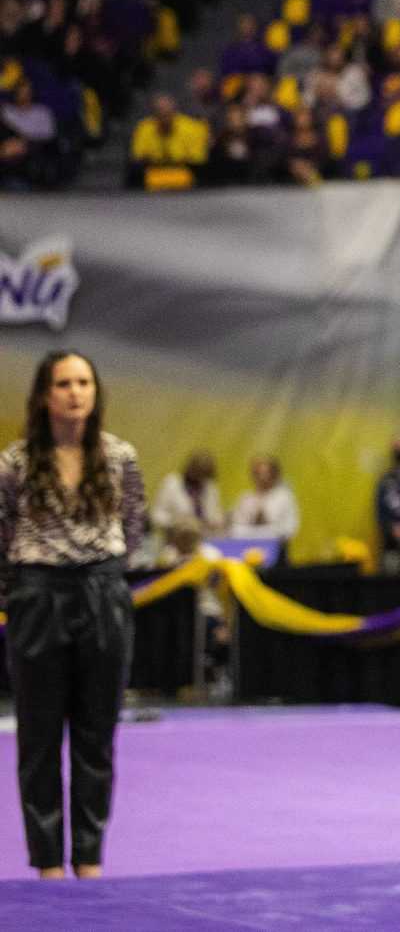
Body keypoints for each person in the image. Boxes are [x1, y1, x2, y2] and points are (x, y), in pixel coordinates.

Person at [0, 351, 147, 879]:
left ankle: (89, 857)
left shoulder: (120, 457)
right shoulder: (13, 464)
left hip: (102, 591)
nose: (75, 392)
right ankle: (47, 863)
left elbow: (133, 531)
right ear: (45, 395)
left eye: (84, 382)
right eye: (64, 383)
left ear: (95, 392)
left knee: (96, 735)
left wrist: (99, 575)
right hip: (37, 594)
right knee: (38, 738)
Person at [149, 449, 222, 559]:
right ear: (191, 469)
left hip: (202, 543)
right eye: (199, 473)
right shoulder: (172, 483)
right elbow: (156, 515)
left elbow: (215, 515)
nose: (201, 479)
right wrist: (177, 523)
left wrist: (215, 522)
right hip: (174, 545)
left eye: (204, 475)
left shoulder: (210, 487)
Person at [226, 454, 299, 558]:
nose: (262, 478)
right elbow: (236, 527)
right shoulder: (246, 498)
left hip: (276, 551)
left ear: (275, 475)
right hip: (245, 551)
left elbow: (289, 529)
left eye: (266, 473)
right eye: (257, 473)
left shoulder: (284, 497)